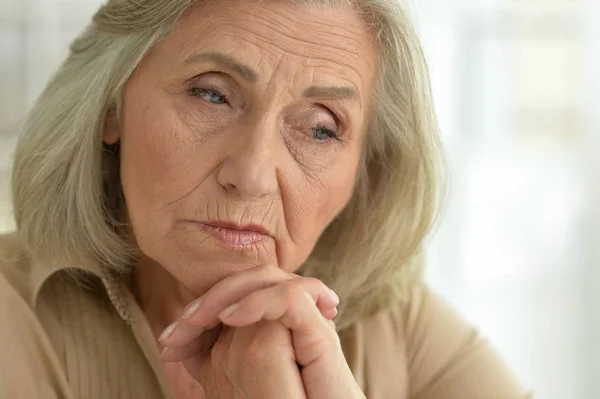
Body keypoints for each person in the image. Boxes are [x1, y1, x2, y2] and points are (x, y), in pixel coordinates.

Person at [0, 0, 532, 398]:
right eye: (212, 94)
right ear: (111, 106)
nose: (253, 175)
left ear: (363, 173)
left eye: (321, 129)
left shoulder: (400, 327)